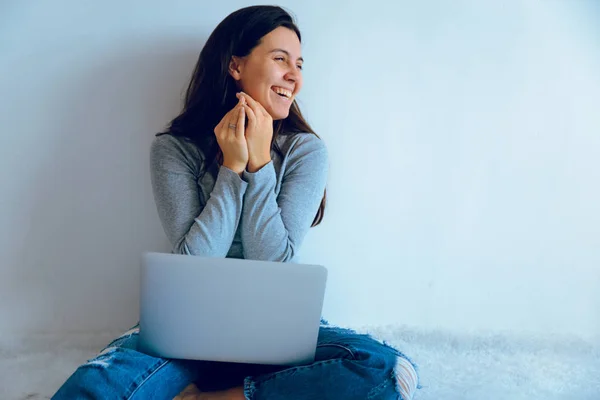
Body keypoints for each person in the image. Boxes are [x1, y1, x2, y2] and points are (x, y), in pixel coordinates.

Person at [52, 5, 419, 400]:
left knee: (387, 372)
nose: (294, 76)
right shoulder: (175, 149)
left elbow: (273, 264)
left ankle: (217, 397)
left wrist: (260, 165)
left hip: (275, 329)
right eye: (280, 59)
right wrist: (233, 167)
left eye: (299, 63)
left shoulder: (305, 151)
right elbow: (195, 261)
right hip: (186, 326)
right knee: (91, 387)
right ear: (235, 66)